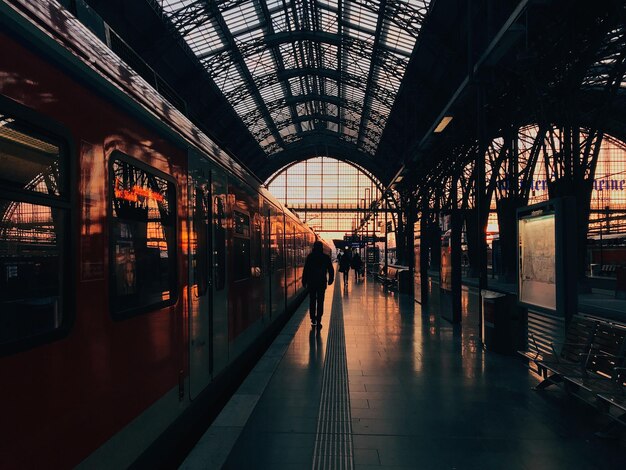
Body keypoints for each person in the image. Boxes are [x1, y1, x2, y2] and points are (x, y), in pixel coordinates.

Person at [302, 240, 334, 328]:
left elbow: (306, 270)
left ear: (314, 248)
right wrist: (330, 279)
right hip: (321, 283)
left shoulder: (310, 257)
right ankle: (319, 319)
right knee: (320, 301)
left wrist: (304, 281)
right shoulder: (326, 257)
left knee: (312, 300)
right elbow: (331, 269)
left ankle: (313, 318)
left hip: (311, 282)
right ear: (322, 248)